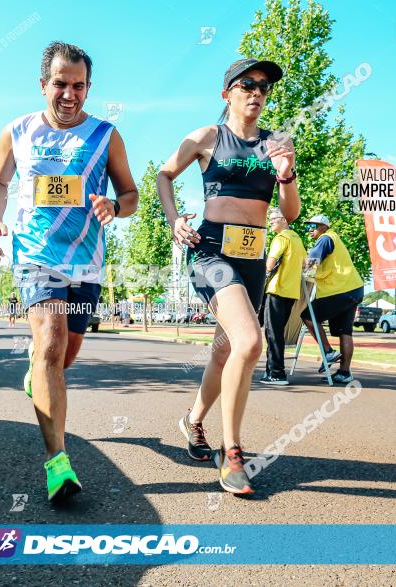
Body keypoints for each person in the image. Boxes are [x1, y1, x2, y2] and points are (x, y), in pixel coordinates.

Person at [0, 41, 138, 502]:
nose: (69, 94)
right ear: (43, 84)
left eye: (79, 85)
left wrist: (115, 205)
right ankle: (58, 464)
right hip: (35, 255)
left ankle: (38, 376)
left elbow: (130, 194)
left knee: (63, 357)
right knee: (49, 344)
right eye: (60, 84)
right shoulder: (17, 131)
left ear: (89, 88)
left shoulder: (106, 135)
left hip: (86, 261)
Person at [158, 58, 300, 494]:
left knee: (226, 346)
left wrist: (286, 173)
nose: (257, 93)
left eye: (264, 87)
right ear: (228, 93)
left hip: (253, 256)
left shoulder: (277, 142)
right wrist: (172, 219)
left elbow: (290, 214)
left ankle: (193, 421)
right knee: (250, 341)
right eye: (247, 85)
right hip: (211, 250)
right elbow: (164, 174)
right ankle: (232, 452)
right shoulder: (207, 137)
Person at [300, 214, 364, 384]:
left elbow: (312, 261)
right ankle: (344, 373)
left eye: (312, 226)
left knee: (307, 315)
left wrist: (301, 273)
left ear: (323, 227)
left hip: (340, 289)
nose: (309, 230)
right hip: (354, 289)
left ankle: (328, 352)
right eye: (308, 227)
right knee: (345, 331)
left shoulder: (325, 238)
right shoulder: (334, 239)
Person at [261, 208, 307, 385]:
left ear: (284, 220)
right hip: (291, 293)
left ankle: (277, 373)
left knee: (273, 333)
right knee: (276, 332)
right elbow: (307, 266)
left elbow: (270, 264)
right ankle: (270, 371)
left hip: (276, 290)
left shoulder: (281, 238)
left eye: (273, 219)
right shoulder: (297, 239)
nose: (270, 221)